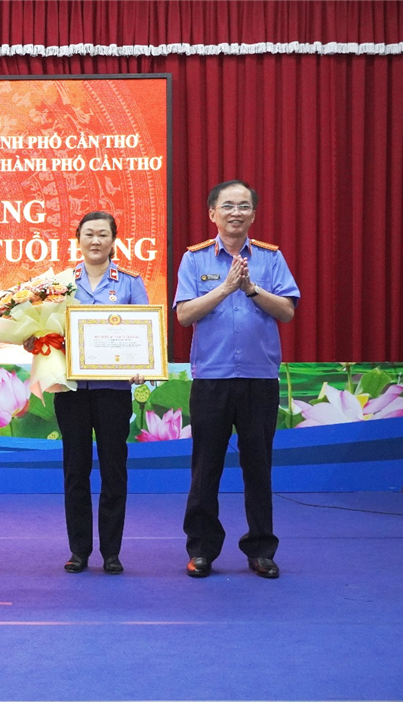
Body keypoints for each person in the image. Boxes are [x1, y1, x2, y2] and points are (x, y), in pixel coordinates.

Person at [174, 180, 299, 579]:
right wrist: (226, 288)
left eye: (244, 206)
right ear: (212, 213)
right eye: (227, 205)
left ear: (253, 214)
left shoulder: (270, 258)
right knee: (205, 468)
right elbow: (184, 315)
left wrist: (251, 288)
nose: (236, 212)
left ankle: (261, 549)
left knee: (258, 468)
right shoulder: (194, 259)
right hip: (212, 378)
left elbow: (287, 311)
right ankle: (201, 550)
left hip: (259, 379)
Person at [48, 211, 147, 575]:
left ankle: (111, 552)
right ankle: (78, 551)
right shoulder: (59, 284)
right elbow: (44, 330)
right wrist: (34, 340)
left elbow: (144, 332)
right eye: (88, 234)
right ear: (78, 240)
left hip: (113, 391)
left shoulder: (131, 283)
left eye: (102, 234)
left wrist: (142, 364)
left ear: (113, 240)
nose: (95, 240)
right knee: (75, 471)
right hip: (70, 390)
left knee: (113, 470)